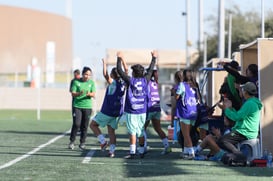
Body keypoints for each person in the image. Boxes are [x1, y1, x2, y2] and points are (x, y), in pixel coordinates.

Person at [116, 50, 156, 159]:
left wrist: (119, 58)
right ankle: (142, 150)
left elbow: (119, 71)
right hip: (142, 111)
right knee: (141, 131)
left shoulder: (130, 80)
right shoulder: (145, 80)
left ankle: (132, 152)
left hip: (132, 111)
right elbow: (151, 70)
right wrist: (154, 58)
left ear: (133, 73)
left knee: (132, 132)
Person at [89, 58, 127, 158]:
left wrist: (104, 64)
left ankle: (103, 142)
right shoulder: (123, 84)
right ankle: (112, 151)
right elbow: (126, 72)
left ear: (113, 75)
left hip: (107, 111)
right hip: (116, 112)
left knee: (93, 125)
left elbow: (105, 74)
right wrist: (123, 62)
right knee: (111, 132)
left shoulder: (112, 83)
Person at [217, 82, 262, 154]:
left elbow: (236, 117)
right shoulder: (252, 102)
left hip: (244, 132)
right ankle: (236, 154)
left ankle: (238, 155)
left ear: (246, 92)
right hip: (246, 131)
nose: (241, 91)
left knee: (222, 141)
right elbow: (239, 115)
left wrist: (226, 109)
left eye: (243, 90)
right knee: (224, 140)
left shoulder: (249, 103)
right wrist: (230, 108)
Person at [143, 66, 171, 155]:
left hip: (149, 108)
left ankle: (143, 147)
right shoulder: (155, 82)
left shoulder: (146, 82)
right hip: (157, 108)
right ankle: (167, 146)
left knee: (142, 128)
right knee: (158, 129)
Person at [68, 66, 96, 150]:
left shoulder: (92, 83)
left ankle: (82, 142)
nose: (87, 76)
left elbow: (93, 94)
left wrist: (89, 94)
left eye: (89, 75)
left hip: (87, 107)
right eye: (86, 74)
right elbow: (73, 93)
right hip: (77, 106)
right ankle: (72, 141)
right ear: (82, 74)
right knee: (77, 124)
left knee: (85, 125)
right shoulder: (76, 82)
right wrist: (79, 93)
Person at [174, 70, 199, 159]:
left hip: (185, 112)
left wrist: (174, 92)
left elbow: (177, 97)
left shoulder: (182, 84)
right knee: (187, 133)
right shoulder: (195, 85)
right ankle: (185, 152)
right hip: (194, 112)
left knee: (186, 135)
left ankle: (191, 153)